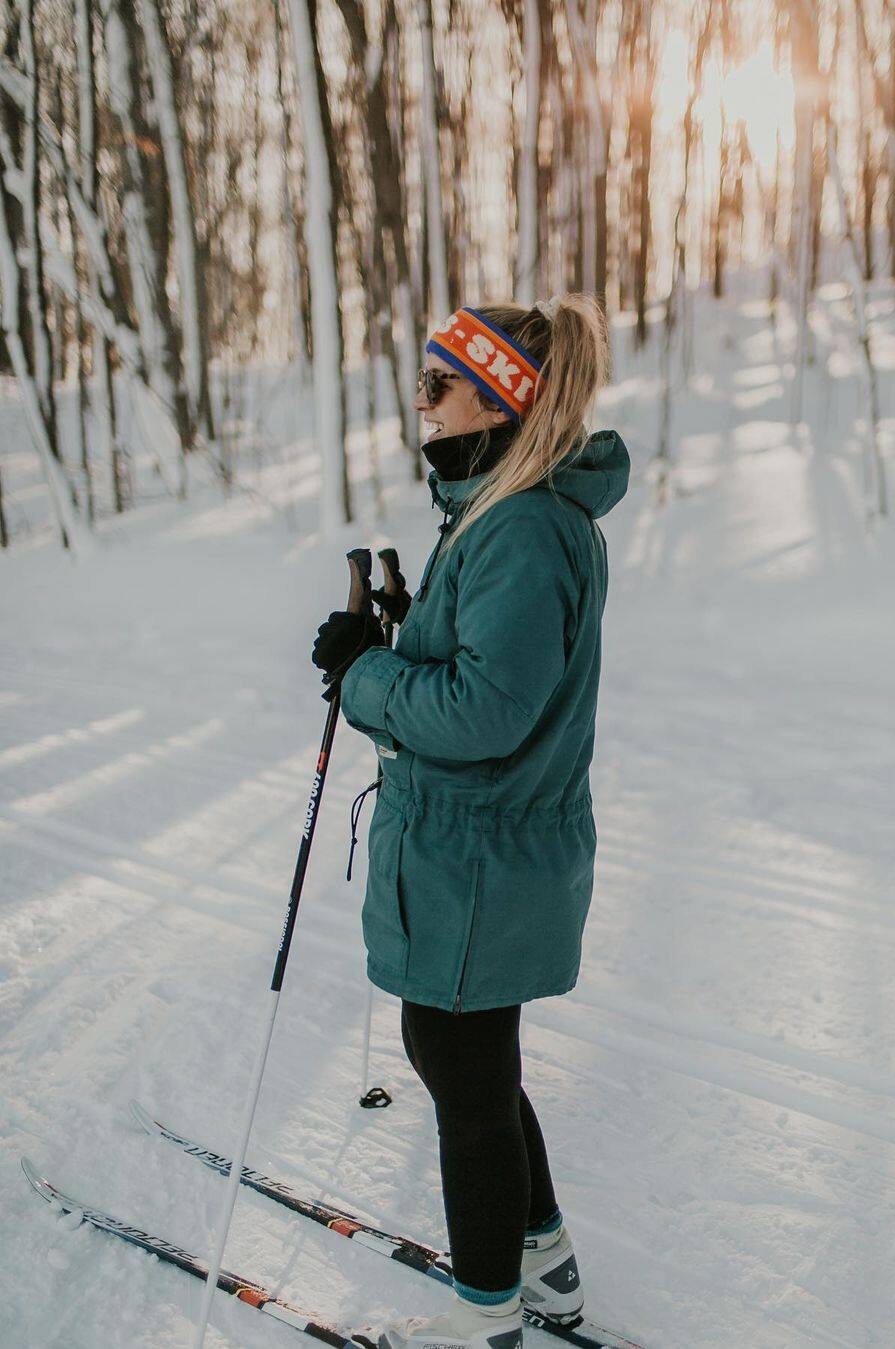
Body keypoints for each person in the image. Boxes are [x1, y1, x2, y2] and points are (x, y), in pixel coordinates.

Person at [312, 294, 630, 1349]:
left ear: (498, 398)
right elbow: (494, 667)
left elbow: (487, 713)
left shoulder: (522, 526)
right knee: (472, 1064)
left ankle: (483, 1318)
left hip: (482, 852)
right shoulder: (503, 511)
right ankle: (545, 1266)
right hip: (484, 847)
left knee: (463, 1074)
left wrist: (366, 676)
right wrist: (401, 637)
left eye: (438, 382)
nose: (422, 400)